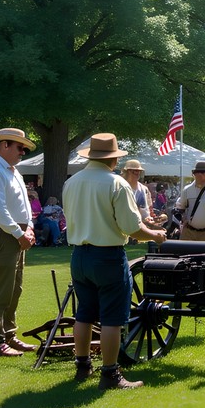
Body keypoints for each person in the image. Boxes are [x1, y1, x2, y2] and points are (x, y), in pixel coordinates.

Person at [63, 134, 167, 390]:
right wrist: (156, 235)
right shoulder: (116, 184)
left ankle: (83, 366)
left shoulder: (72, 182)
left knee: (84, 313)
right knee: (112, 318)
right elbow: (133, 228)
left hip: (79, 256)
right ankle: (110, 375)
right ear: (113, 159)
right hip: (107, 256)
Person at [0, 127, 37, 358]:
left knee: (14, 289)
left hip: (13, 234)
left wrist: (28, 227)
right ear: (4, 145)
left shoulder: (12, 171)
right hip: (2, 234)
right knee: (0, 291)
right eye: (19, 147)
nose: (23, 152)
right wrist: (19, 232)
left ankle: (8, 336)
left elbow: (24, 205)